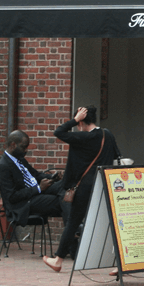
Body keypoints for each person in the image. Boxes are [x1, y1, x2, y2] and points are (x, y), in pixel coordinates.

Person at [42, 106, 121, 272]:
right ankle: (119, 262)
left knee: (73, 222)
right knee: (113, 222)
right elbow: (115, 156)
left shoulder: (84, 137)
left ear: (81, 122)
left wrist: (74, 119)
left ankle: (58, 260)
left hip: (86, 186)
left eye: (78, 123)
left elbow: (59, 132)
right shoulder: (108, 135)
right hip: (106, 183)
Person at [0, 130, 70, 230]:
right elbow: (12, 197)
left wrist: (53, 177)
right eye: (23, 147)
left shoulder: (20, 159)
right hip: (24, 204)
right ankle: (72, 233)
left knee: (64, 185)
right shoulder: (3, 166)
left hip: (36, 193)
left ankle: (72, 232)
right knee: (63, 200)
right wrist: (38, 189)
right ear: (13, 145)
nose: (25, 150)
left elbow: (36, 175)